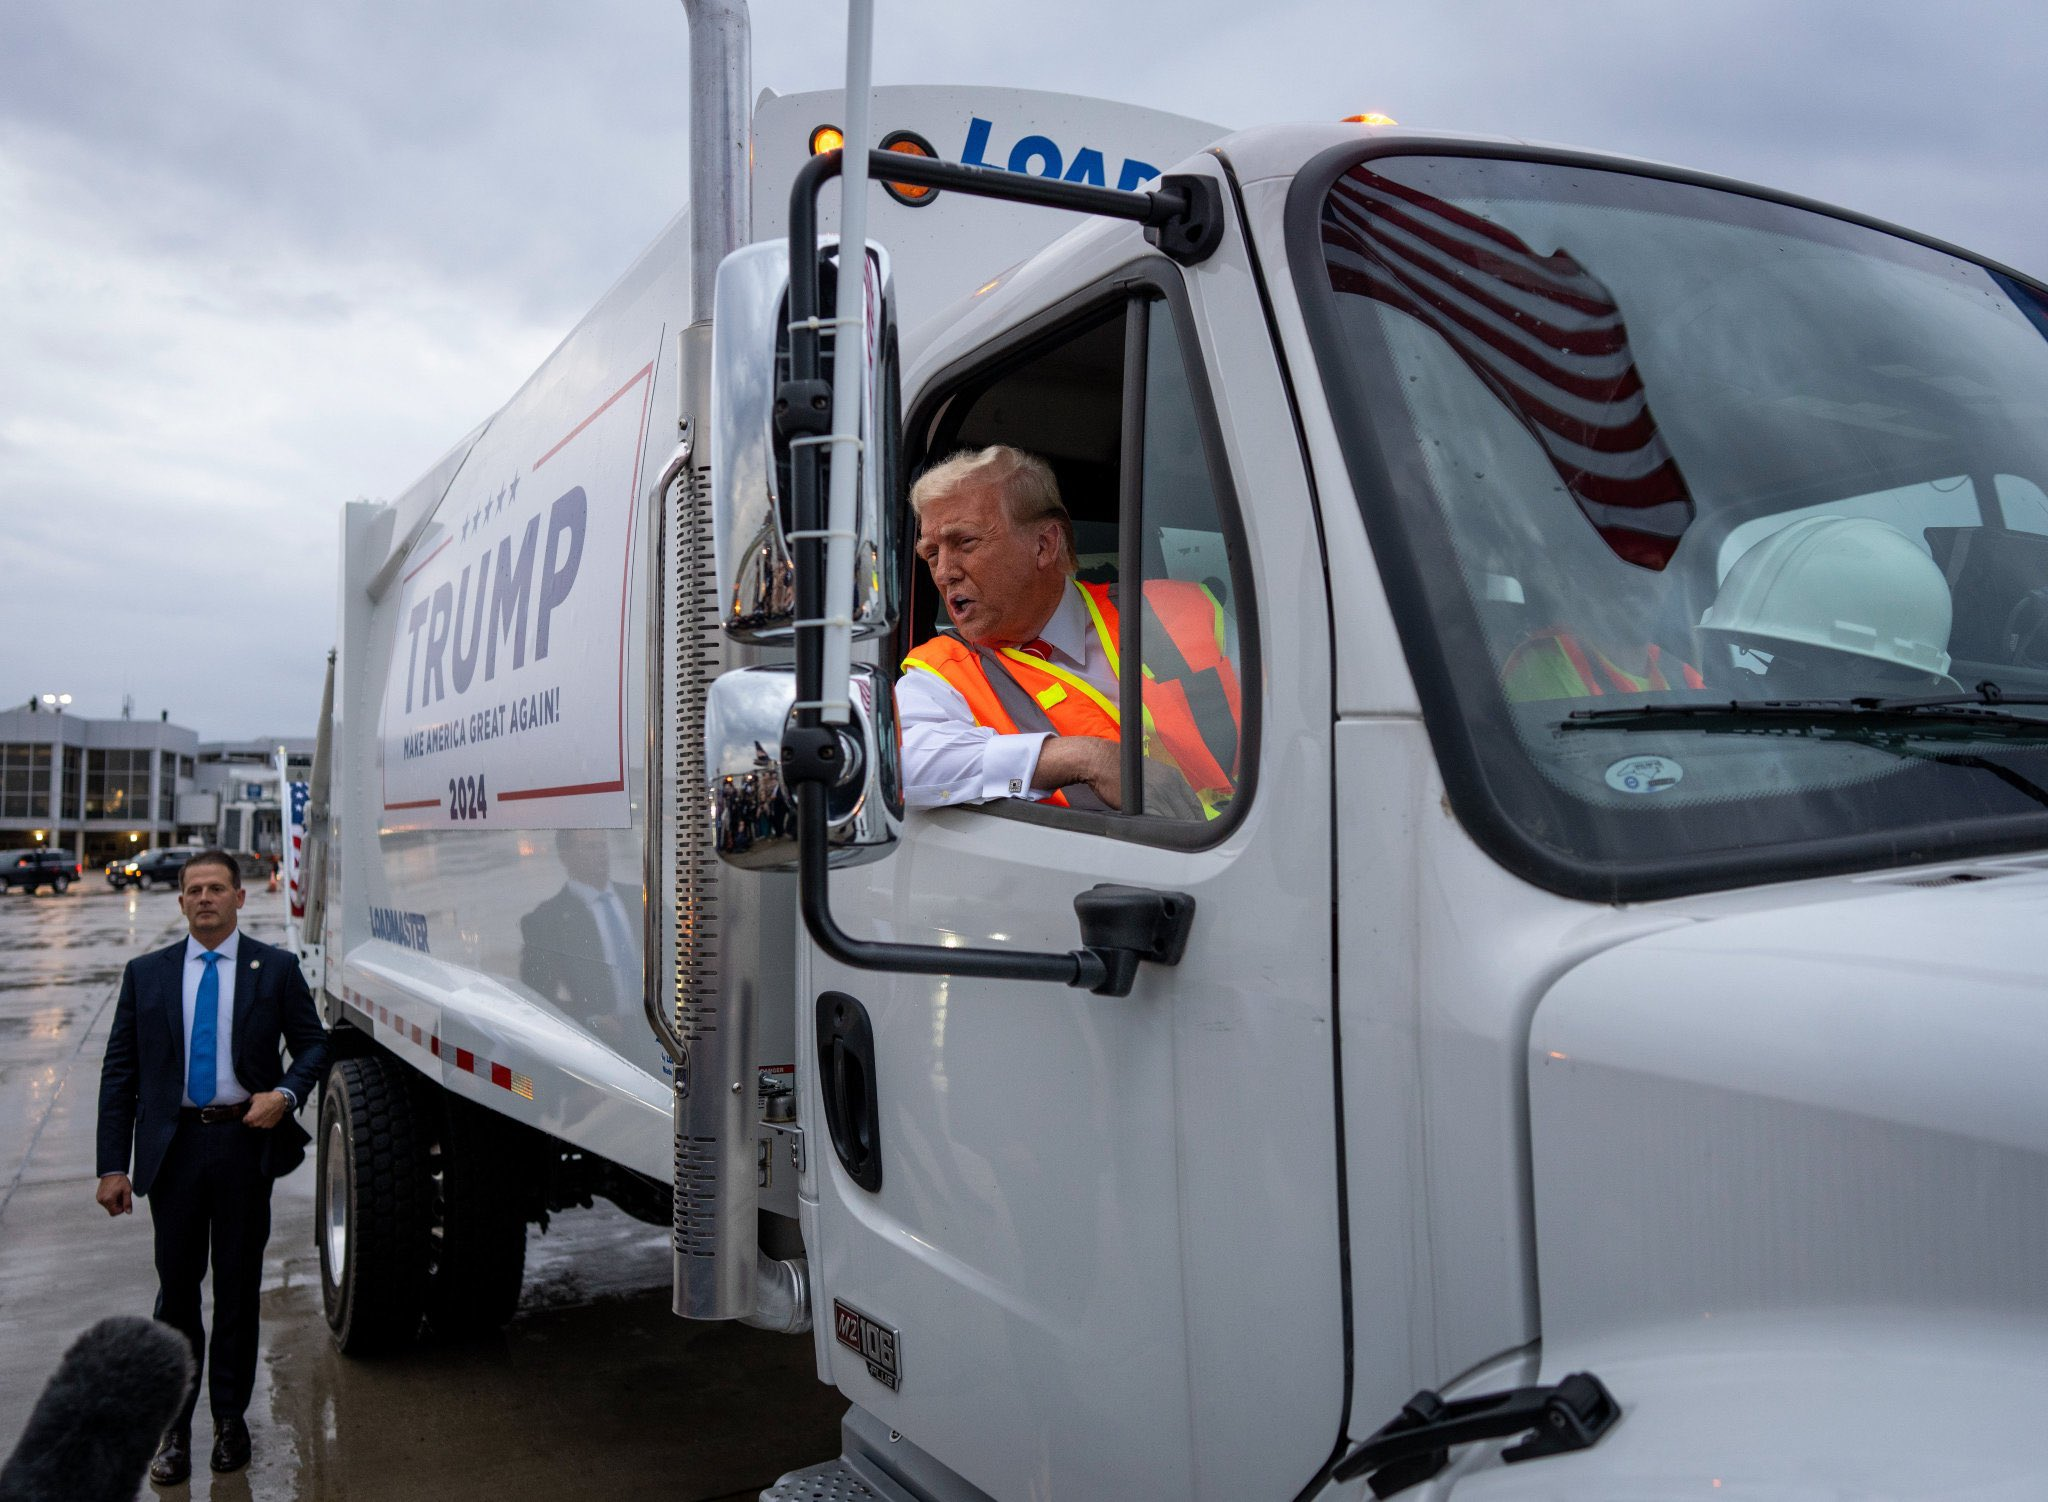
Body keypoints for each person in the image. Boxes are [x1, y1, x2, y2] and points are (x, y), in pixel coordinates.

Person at [93, 849, 329, 1484]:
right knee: (175, 1294)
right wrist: (113, 1164)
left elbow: (313, 1046)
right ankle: (175, 1428)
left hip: (241, 1146)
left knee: (235, 1290)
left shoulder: (273, 969)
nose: (205, 898)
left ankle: (230, 1418)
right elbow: (120, 1075)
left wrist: (283, 1095)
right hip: (172, 1152)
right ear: (181, 902)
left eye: (216, 888)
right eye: (194, 889)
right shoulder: (146, 974)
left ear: (238, 898)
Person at [897, 445, 1240, 819]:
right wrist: (1083, 759)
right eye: (931, 554)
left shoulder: (1184, 611)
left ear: (1044, 545)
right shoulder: (942, 671)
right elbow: (900, 763)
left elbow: (1298, 725)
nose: (944, 572)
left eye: (965, 542)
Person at [520, 828, 642, 1046]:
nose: (601, 853)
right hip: (601, 1041)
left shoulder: (640, 899)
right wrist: (588, 1021)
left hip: (656, 1029)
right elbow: (536, 997)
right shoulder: (547, 920)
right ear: (565, 856)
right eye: (590, 847)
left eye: (602, 845)